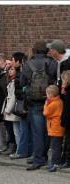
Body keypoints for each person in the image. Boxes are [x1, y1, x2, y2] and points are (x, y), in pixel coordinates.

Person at [20, 40, 58, 171]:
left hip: (34, 102)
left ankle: (38, 159)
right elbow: (55, 79)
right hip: (50, 101)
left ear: (35, 50)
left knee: (37, 132)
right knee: (49, 130)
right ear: (47, 50)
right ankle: (47, 158)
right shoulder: (52, 63)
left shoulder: (28, 64)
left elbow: (22, 82)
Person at [43, 85, 65, 172]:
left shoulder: (53, 104)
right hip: (58, 127)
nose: (46, 96)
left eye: (47, 94)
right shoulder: (59, 101)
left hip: (55, 128)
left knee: (55, 147)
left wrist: (45, 104)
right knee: (57, 146)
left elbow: (46, 113)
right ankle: (55, 162)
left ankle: (54, 163)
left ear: (51, 95)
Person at [1, 66, 21, 159]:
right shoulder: (10, 82)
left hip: (13, 110)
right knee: (15, 130)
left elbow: (12, 98)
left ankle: (19, 150)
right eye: (9, 69)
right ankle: (18, 149)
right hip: (12, 108)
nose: (10, 71)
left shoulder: (14, 82)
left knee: (17, 131)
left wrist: (7, 110)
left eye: (12, 69)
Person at [60, 71, 70, 168]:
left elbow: (67, 108)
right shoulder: (66, 91)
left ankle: (67, 160)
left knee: (68, 140)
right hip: (67, 119)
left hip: (68, 119)